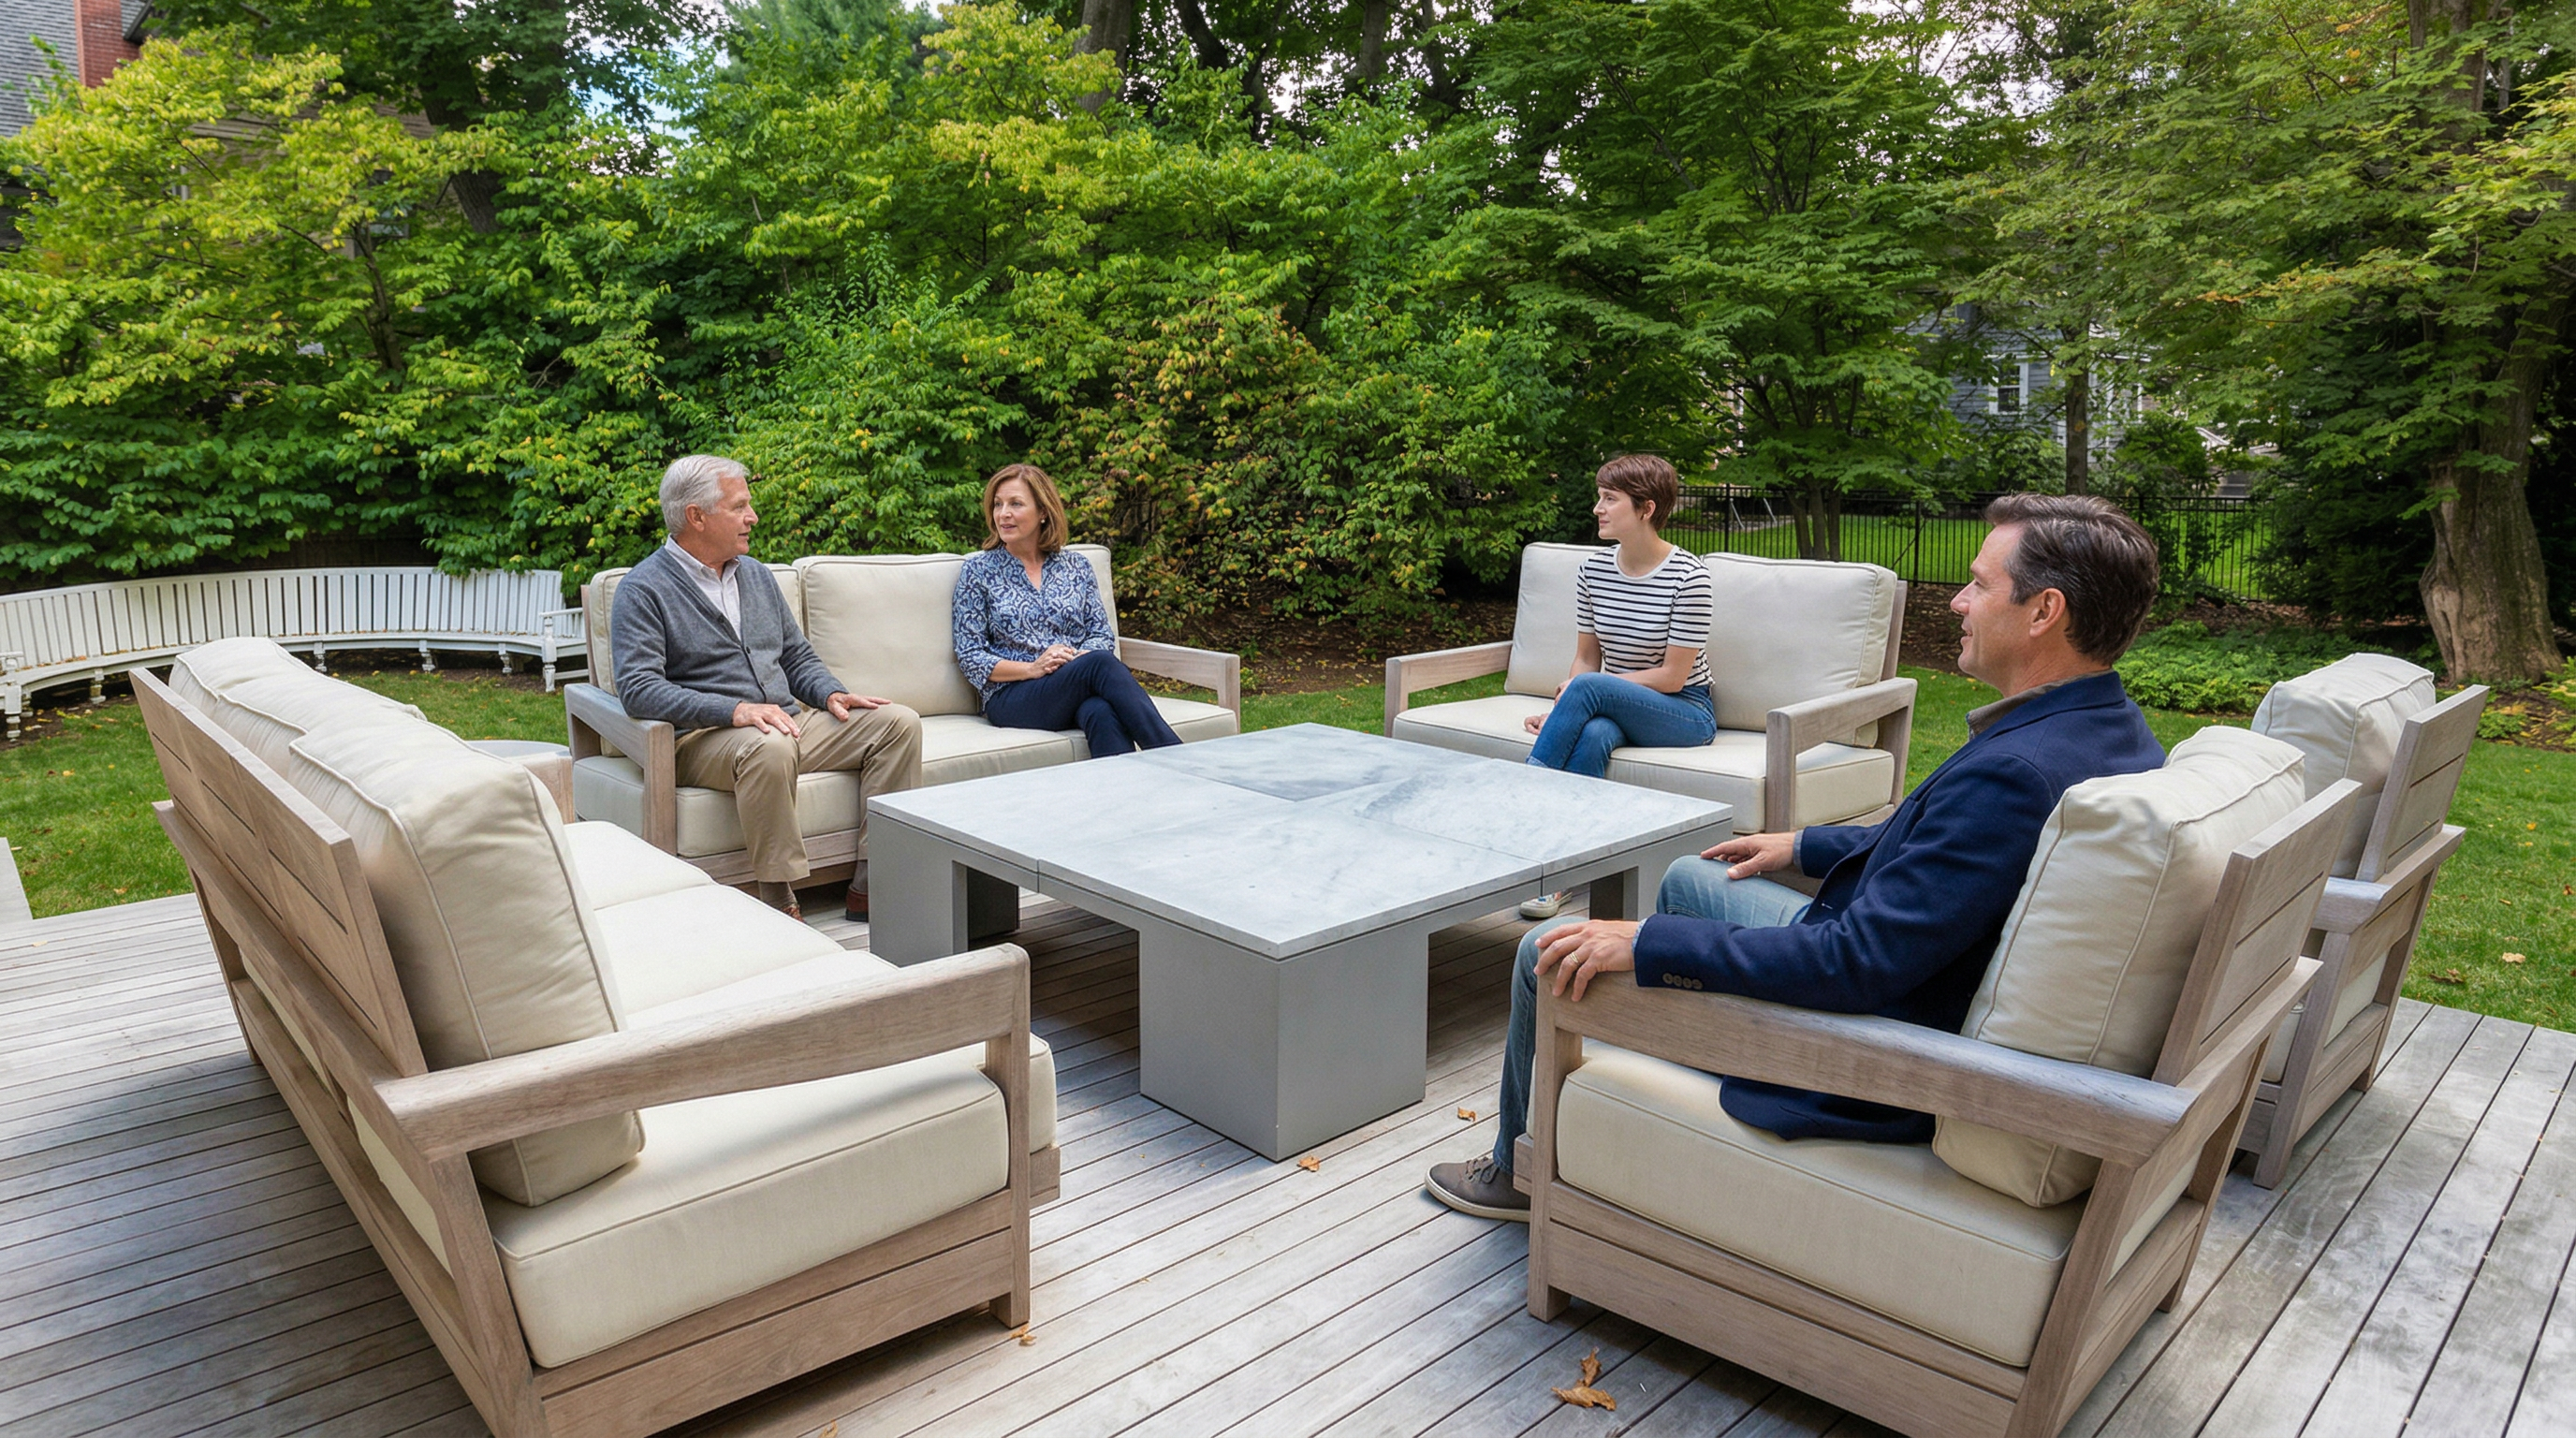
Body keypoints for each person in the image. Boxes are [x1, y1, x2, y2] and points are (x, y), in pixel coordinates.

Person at [1427, 492, 2169, 1221]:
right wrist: (1804, 843)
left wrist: (1650, 943)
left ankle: (1521, 1171)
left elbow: (1854, 964)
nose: (1957, 602)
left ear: (2044, 612)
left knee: (1544, 949)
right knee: (1695, 873)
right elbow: (1950, 854)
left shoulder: (2018, 773)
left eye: (1978, 584)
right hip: (1891, 962)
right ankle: (1643, 1060)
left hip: (1867, 1042)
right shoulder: (2102, 727)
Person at [611, 455, 922, 922]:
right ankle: (779, 900)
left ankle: (874, 884)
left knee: (897, 724)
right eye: (739, 507)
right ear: (696, 516)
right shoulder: (643, 589)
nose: (752, 518)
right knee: (769, 747)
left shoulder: (754, 574)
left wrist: (829, 693)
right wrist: (733, 710)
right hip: (704, 738)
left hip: (784, 721)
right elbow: (638, 688)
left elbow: (796, 655)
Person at [1516, 455, 1718, 921]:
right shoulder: (1594, 570)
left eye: (1610, 499)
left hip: (1685, 711)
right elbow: (1587, 657)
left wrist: (1583, 693)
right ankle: (1563, 875)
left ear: (1646, 509)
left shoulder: (1689, 577)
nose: (1597, 509)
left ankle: (1521, 800)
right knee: (1592, 735)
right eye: (1600, 497)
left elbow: (1673, 677)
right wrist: (1571, 708)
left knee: (1588, 691)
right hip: (1618, 703)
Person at [953, 463, 1182, 758]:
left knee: (1101, 712)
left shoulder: (1076, 566)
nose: (1003, 513)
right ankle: (1179, 760)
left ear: (1043, 512)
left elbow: (1100, 633)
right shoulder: (978, 570)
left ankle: (1124, 798)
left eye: (1015, 504)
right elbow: (971, 656)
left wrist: (1073, 661)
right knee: (1100, 664)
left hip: (1071, 684)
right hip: (1014, 696)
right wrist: (1033, 668)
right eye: (998, 504)